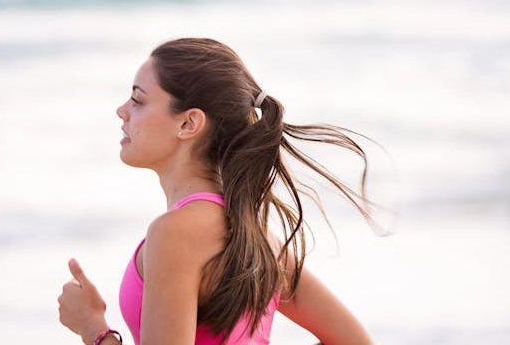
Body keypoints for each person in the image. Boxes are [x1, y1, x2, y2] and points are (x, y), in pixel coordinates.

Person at [57, 38, 376, 345]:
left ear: (188, 124)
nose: (121, 110)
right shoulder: (257, 236)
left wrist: (93, 327)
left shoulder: (175, 234)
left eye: (138, 100)